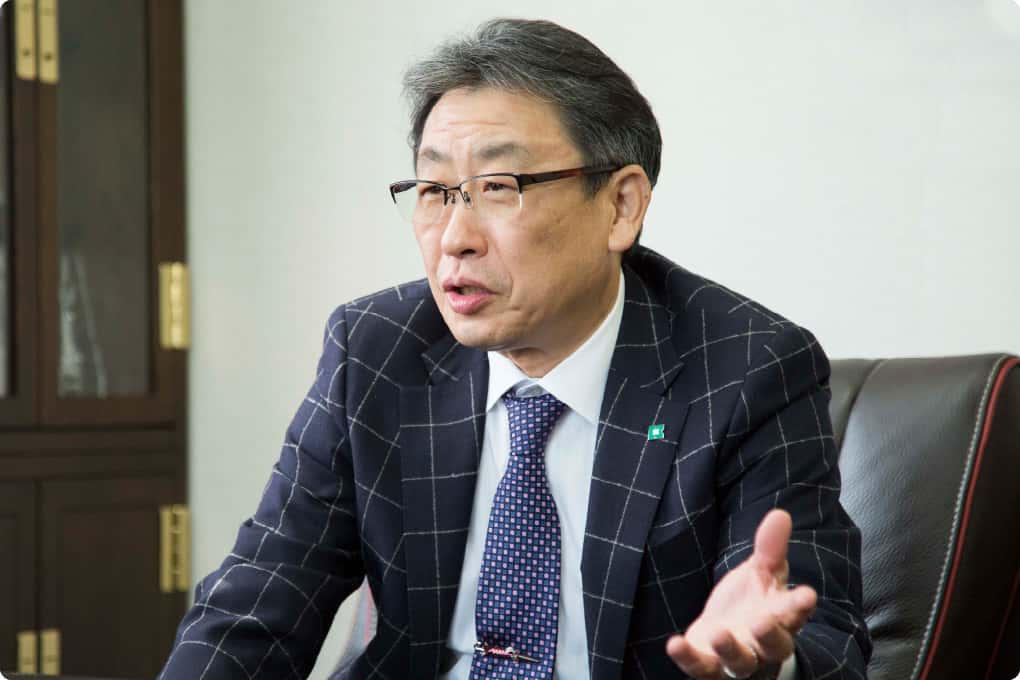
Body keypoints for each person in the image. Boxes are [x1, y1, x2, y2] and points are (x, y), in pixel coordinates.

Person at [159, 17, 870, 680]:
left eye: (499, 187)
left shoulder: (746, 368)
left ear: (621, 206)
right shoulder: (375, 352)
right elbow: (255, 606)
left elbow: (825, 637)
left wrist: (766, 659)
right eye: (435, 189)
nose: (454, 238)